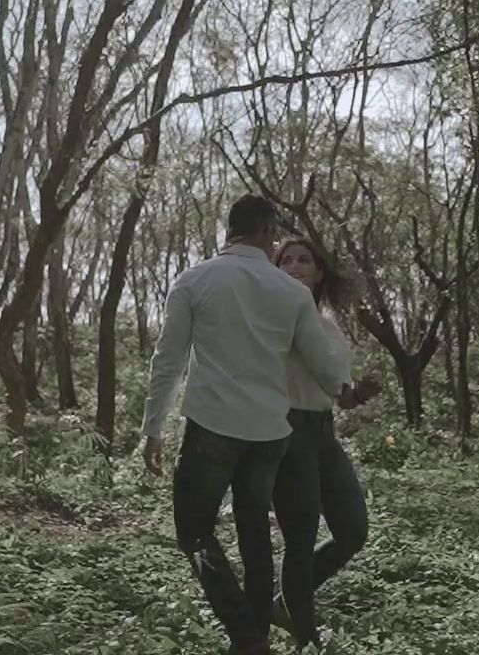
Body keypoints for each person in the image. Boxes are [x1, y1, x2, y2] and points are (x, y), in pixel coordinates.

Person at [141, 195, 359, 655]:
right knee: (255, 535)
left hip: (212, 428)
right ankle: (256, 631)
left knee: (195, 532)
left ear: (230, 229)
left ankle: (248, 637)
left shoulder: (195, 279)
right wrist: (347, 389)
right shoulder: (293, 293)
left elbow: (169, 360)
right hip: (269, 434)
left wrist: (153, 429)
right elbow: (323, 366)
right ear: (267, 233)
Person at [270, 236, 381, 651]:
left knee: (353, 530)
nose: (295, 266)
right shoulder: (273, 315)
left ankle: (282, 604)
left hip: (323, 432)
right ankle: (306, 638)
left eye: (304, 260)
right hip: (286, 429)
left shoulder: (330, 324)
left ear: (319, 272)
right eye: (285, 260)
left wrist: (357, 394)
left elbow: (338, 389)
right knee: (299, 538)